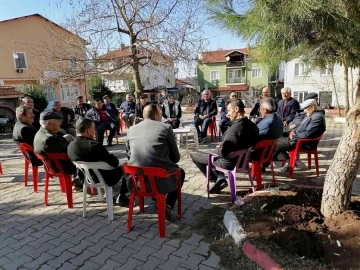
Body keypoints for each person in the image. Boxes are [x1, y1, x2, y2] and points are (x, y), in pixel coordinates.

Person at [126, 104, 185, 215]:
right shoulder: (166, 127)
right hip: (159, 181)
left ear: (144, 116)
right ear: (157, 116)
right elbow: (176, 158)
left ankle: (158, 200)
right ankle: (166, 205)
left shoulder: (131, 129)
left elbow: (129, 156)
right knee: (180, 172)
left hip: (136, 181)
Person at [191, 99, 259, 193]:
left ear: (236, 109)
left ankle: (215, 180)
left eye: (229, 111)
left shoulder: (235, 129)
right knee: (216, 153)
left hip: (229, 162)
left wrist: (217, 149)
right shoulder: (252, 125)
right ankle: (220, 178)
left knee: (195, 156)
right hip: (243, 160)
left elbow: (223, 152)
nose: (228, 114)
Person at [67, 118, 129, 206]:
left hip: (85, 177)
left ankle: (107, 194)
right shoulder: (95, 146)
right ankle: (122, 195)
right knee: (128, 166)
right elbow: (114, 162)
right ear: (88, 130)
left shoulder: (70, 146)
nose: (95, 131)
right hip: (105, 178)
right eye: (94, 128)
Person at [273, 99, 326, 171]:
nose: (304, 111)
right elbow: (303, 123)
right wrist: (294, 128)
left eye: (306, 109)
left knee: (275, 143)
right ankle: (288, 161)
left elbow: (307, 134)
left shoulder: (317, 118)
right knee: (277, 137)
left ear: (312, 107)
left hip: (302, 142)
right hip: (297, 139)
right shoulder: (312, 114)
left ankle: (264, 163)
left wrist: (294, 134)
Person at [34, 111, 77, 176]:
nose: (60, 123)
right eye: (58, 121)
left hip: (55, 164)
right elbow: (68, 153)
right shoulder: (49, 139)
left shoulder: (40, 133)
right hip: (62, 167)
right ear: (48, 124)